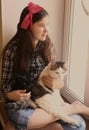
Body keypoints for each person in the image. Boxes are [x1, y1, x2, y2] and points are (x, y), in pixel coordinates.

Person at [1, 2, 86, 130]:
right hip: (23, 104)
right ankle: (71, 109)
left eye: (47, 24)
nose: (47, 29)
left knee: (80, 124)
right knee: (21, 118)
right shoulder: (12, 50)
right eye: (41, 25)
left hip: (45, 100)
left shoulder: (48, 46)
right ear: (29, 27)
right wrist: (10, 95)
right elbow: (4, 87)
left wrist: (59, 84)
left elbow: (56, 77)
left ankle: (21, 126)